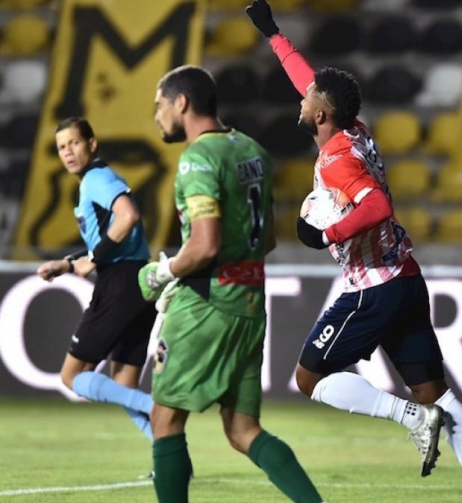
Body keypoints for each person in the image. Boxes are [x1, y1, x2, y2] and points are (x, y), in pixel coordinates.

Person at [246, 0, 462, 503]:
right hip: (405, 277)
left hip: (374, 288)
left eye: (309, 98)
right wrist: (273, 35)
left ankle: (410, 417)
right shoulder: (353, 131)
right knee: (437, 391)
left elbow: (377, 206)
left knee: (309, 378)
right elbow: (310, 80)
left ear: (322, 114)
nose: (302, 97)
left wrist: (326, 234)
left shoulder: (337, 161)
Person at [139, 65, 326, 503]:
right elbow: (269, 239)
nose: (157, 115)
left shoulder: (198, 159)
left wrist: (164, 272)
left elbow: (204, 245)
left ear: (181, 103)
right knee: (242, 429)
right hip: (250, 302)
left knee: (165, 420)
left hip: (206, 303)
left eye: (160, 105)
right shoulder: (252, 150)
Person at [37, 117, 157, 443]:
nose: (67, 152)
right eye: (61, 147)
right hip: (140, 282)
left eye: (74, 143)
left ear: (92, 144)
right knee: (123, 383)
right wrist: (68, 263)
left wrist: (94, 259)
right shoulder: (99, 179)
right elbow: (105, 238)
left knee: (72, 375)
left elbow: (128, 216)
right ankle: (169, 459)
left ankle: (155, 407)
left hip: (119, 282)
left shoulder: (96, 178)